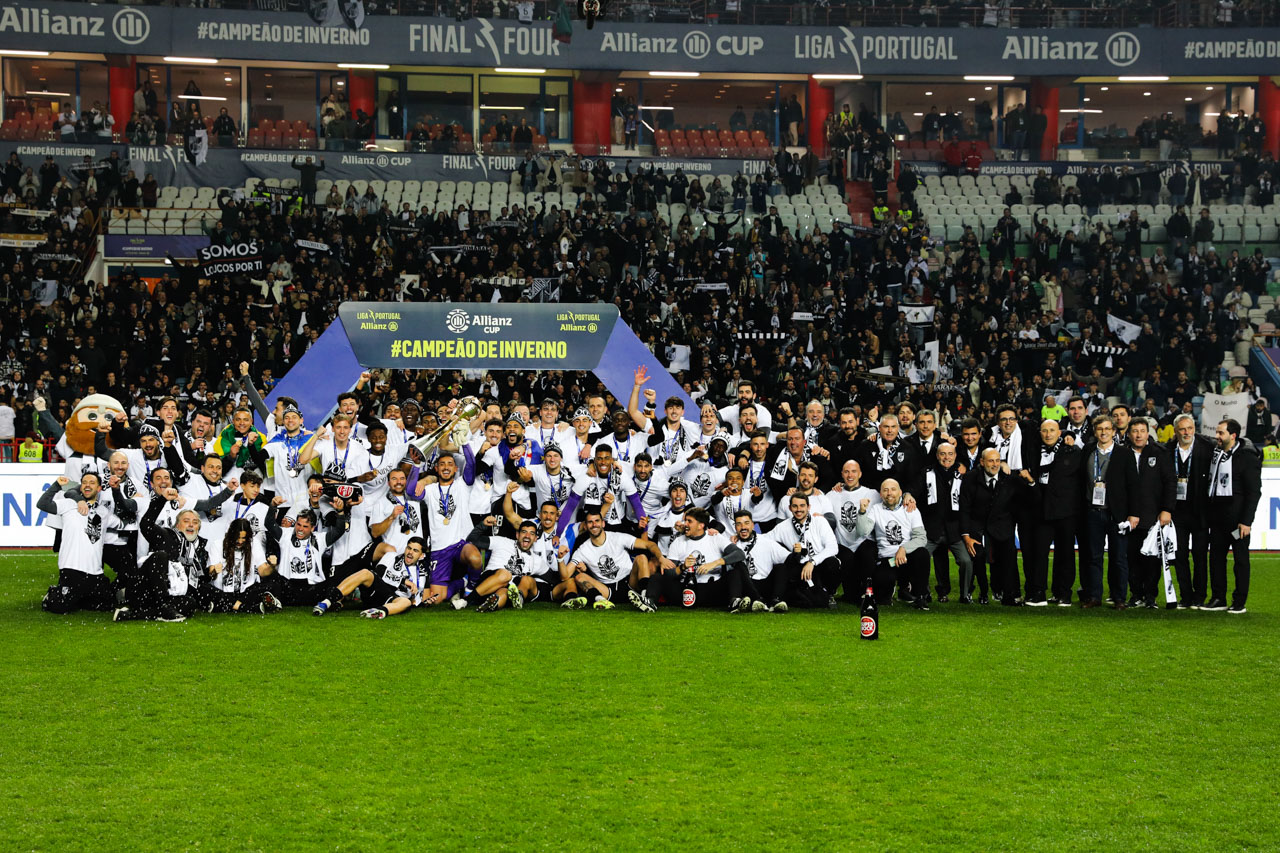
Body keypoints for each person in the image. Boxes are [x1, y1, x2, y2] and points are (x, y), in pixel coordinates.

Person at [37, 473, 134, 615]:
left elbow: (122, 523)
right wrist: (56, 485)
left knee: (105, 606)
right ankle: (53, 593)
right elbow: (42, 504)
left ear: (99, 488)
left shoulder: (104, 512)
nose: (87, 485)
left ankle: (79, 596)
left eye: (92, 482)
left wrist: (117, 491)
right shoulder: (69, 504)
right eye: (84, 482)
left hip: (95, 573)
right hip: (72, 569)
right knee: (60, 608)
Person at [1018, 419, 1082, 607]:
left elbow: (1059, 472)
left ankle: (1063, 594)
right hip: (1041, 508)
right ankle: (1038, 593)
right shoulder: (1033, 450)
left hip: (1065, 509)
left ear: (1059, 432)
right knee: (1039, 552)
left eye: (1052, 430)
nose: (1048, 434)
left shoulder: (1071, 451)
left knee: (1065, 553)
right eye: (1044, 430)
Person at [1114, 418, 1174, 610]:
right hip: (1128, 516)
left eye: (1142, 431)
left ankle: (1150, 596)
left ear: (1148, 433)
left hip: (1153, 515)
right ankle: (1136, 594)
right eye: (1135, 431)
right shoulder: (1121, 453)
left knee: (1152, 559)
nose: (1138, 435)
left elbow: (1170, 483)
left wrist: (1167, 509)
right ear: (1129, 434)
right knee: (1131, 557)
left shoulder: (1160, 453)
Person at [1205, 418, 1262, 613]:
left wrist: (1246, 521)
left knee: (1240, 561)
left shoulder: (1247, 458)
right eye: (1217, 432)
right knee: (1216, 559)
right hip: (1217, 519)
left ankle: (1239, 602)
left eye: (1221, 433)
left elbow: (1254, 493)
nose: (1217, 436)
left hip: (1238, 523)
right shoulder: (1216, 454)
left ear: (1233, 435)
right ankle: (1218, 598)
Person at [560, 509, 663, 611]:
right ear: (585, 526)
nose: (594, 525)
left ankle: (645, 598)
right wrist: (560, 559)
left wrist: (661, 558)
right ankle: (600, 600)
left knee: (641, 558)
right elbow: (565, 576)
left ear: (603, 523)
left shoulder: (617, 537)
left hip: (629, 583)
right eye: (590, 522)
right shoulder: (583, 550)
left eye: (597, 521)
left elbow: (649, 544)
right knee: (579, 577)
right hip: (607, 590)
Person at [855, 477, 930, 608]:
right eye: (885, 490)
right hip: (888, 560)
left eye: (893, 489)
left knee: (922, 554)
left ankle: (921, 595)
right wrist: (862, 512)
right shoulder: (876, 509)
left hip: (907, 557)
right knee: (882, 594)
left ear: (900, 493)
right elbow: (863, 532)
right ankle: (891, 591)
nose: (889, 493)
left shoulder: (911, 508)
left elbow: (921, 537)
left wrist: (904, 548)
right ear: (881, 494)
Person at [1079, 415, 1129, 609]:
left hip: (1116, 513)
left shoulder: (1124, 453)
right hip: (1093, 512)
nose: (1104, 432)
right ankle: (1094, 596)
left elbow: (1133, 484)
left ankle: (1119, 598)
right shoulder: (1088, 450)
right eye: (1100, 429)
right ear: (1095, 431)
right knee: (1093, 556)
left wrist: (1132, 514)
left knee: (1118, 558)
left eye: (1108, 428)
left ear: (1114, 431)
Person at [959, 448, 1019, 605]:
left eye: (997, 461)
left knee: (1008, 555)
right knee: (977, 556)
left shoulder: (1008, 479)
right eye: (991, 461)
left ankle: (1008, 595)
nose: (995, 464)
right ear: (982, 462)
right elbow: (965, 508)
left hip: (1001, 526)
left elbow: (1016, 505)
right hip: (977, 526)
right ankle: (981, 592)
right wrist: (966, 535)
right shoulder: (970, 478)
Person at [1166, 413, 1213, 609]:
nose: (1187, 432)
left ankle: (1200, 596)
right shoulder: (1167, 450)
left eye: (1190, 428)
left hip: (1200, 512)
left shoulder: (1208, 448)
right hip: (1177, 513)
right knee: (1180, 555)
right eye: (1183, 429)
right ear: (1176, 431)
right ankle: (1186, 596)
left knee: (1200, 555)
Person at [207, 518, 280, 615]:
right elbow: (211, 575)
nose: (240, 541)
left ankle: (223, 606)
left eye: (243, 538)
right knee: (204, 588)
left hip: (246, 593)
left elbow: (263, 572)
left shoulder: (254, 544)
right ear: (231, 534)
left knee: (274, 584)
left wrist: (272, 566)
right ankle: (247, 607)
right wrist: (215, 571)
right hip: (223, 593)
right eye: (237, 537)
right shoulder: (217, 545)